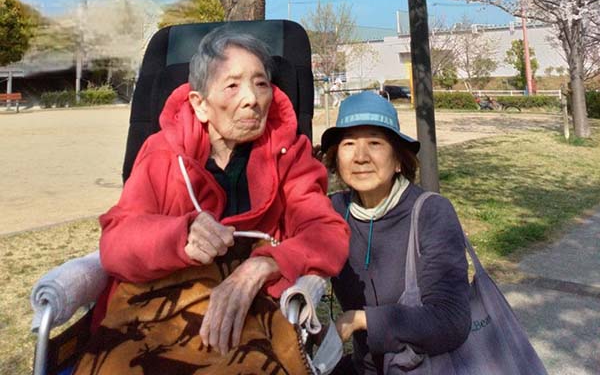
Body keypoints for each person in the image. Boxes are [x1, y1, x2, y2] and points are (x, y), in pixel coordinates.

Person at [90, 26, 350, 361]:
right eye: (232, 85)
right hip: (163, 312)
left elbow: (327, 233)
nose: (252, 99)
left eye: (261, 84)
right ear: (199, 104)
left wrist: (266, 265)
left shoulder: (290, 153)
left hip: (251, 315)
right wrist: (177, 236)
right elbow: (116, 244)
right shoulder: (162, 154)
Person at [321, 91, 471, 375]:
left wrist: (361, 320)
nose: (360, 157)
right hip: (364, 367)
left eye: (375, 143)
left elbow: (451, 320)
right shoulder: (332, 211)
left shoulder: (431, 213)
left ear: (399, 159)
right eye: (349, 143)